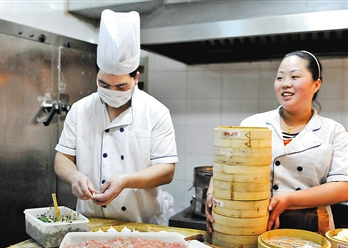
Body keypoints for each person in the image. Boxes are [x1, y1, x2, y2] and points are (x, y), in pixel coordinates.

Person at [54, 9, 178, 226]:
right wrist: (75, 177)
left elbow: (166, 171)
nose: (112, 90)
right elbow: (62, 158)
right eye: (104, 84)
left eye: (121, 86)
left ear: (136, 77)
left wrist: (126, 181)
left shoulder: (155, 111)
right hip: (89, 221)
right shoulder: (81, 109)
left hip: (142, 224)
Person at [205, 50, 348, 235]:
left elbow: (343, 187)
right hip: (252, 225)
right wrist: (211, 195)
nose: (286, 84)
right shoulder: (252, 124)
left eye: (295, 76)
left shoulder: (333, 131)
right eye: (280, 78)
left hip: (309, 227)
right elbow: (225, 169)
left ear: (316, 84)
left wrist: (289, 199)